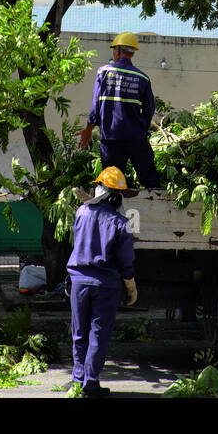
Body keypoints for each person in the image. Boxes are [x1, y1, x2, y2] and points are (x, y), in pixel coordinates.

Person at [67, 167, 137, 397]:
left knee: (79, 332)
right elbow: (126, 262)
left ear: (100, 189)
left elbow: (82, 237)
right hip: (105, 284)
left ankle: (78, 381)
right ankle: (91, 381)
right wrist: (131, 287)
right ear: (118, 196)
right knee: (98, 333)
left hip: (79, 281)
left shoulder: (81, 212)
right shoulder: (122, 222)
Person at [78, 32, 161, 188]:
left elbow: (96, 105)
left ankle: (111, 211)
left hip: (111, 140)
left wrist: (88, 130)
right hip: (136, 138)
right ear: (132, 53)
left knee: (111, 185)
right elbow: (150, 109)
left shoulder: (103, 72)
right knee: (151, 182)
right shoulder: (142, 78)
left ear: (117, 51)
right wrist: (141, 131)